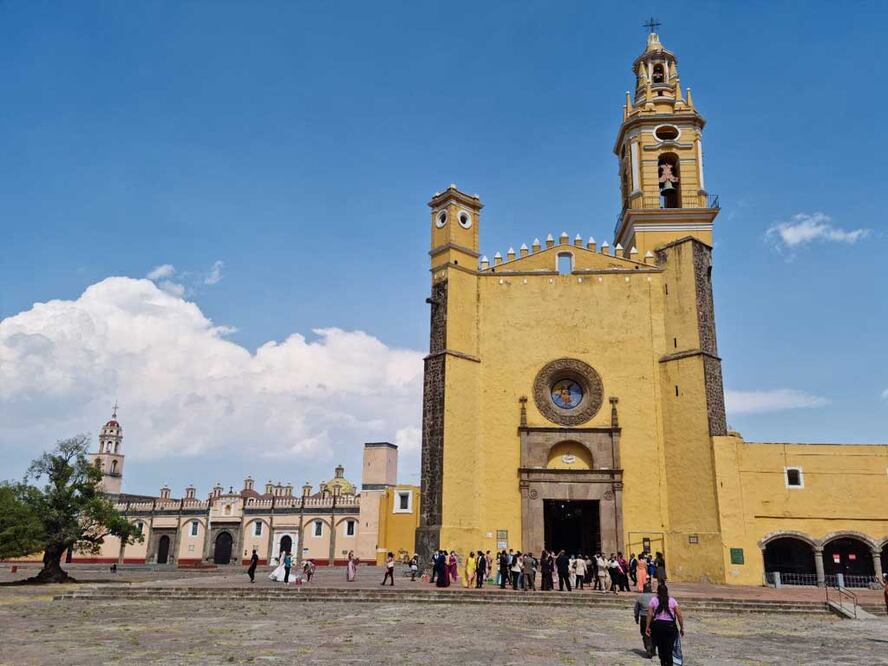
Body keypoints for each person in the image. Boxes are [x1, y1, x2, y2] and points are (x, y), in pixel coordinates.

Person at [645, 584, 684, 666]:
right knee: (669, 649)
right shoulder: (672, 601)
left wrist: (647, 627)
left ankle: (663, 663)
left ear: (658, 592)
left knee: (661, 649)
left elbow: (649, 614)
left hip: (657, 626)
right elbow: (679, 615)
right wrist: (682, 627)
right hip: (670, 627)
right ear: (667, 591)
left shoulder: (653, 600)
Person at [634, 588, 657, 658]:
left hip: (644, 617)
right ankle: (653, 649)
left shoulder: (640, 597)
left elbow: (636, 609)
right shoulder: (655, 597)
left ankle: (648, 647)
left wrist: (636, 618)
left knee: (645, 633)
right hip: (654, 617)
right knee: (654, 633)